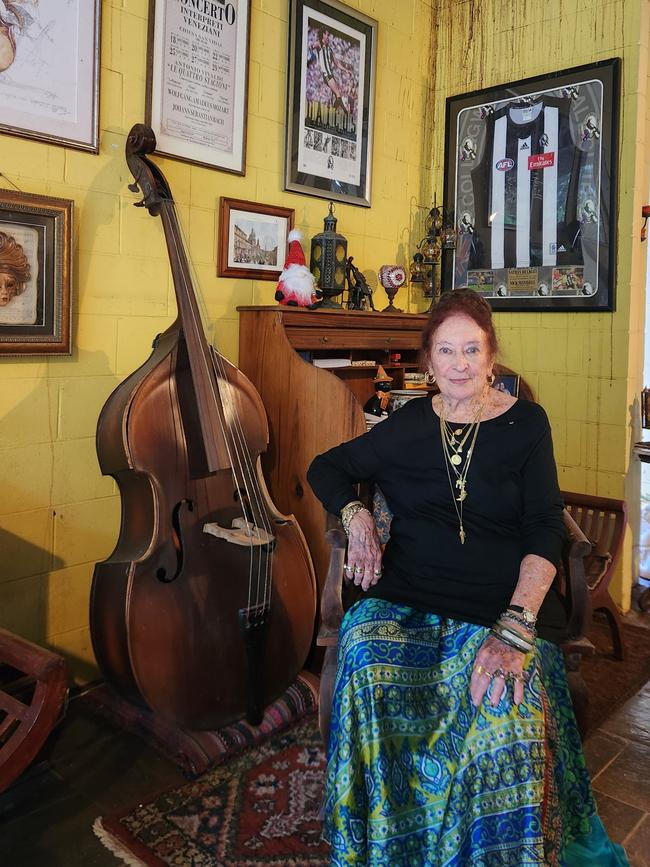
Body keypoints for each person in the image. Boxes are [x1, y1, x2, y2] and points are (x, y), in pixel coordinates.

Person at [307, 289, 628, 866]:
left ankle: (489, 851)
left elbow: (542, 525)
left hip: (500, 602)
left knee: (504, 704)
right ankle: (386, 837)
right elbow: (326, 467)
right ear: (427, 361)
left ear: (491, 355)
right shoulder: (405, 425)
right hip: (410, 590)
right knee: (360, 646)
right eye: (446, 351)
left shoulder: (527, 425)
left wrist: (515, 624)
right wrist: (355, 517)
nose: (459, 364)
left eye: (471, 350)